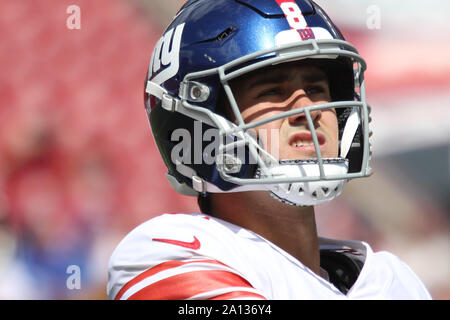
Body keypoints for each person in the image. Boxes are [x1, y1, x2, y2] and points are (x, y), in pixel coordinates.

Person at [107, 0, 431, 299]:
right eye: (274, 90)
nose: (308, 107)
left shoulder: (394, 278)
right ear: (201, 126)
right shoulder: (168, 250)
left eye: (317, 88)